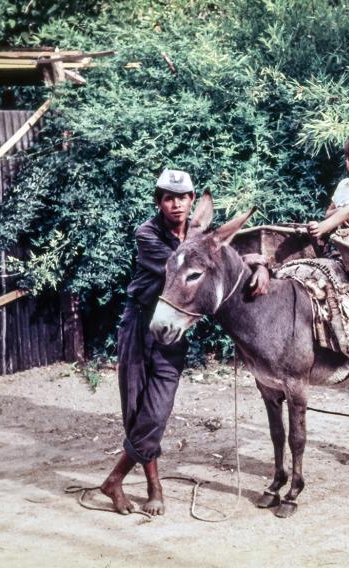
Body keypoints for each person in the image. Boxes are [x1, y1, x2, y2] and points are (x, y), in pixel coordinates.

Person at [99, 169, 268, 516]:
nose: (176, 203)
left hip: (174, 326)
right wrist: (243, 256)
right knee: (137, 409)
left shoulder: (199, 236)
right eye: (168, 197)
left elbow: (215, 262)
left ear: (192, 201)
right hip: (140, 325)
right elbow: (184, 261)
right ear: (159, 202)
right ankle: (153, 488)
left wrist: (258, 261)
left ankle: (114, 479)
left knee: (156, 412)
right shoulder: (147, 234)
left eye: (183, 197)